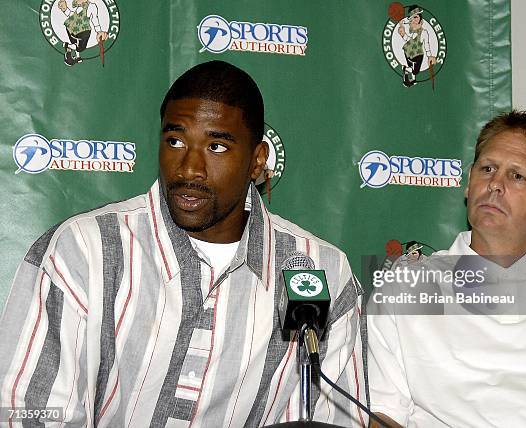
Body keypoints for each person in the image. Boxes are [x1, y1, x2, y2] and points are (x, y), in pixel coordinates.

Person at [0, 61, 367, 427]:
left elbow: (336, 420)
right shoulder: (84, 250)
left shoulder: (320, 271)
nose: (189, 168)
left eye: (217, 147)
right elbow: (29, 413)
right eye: (175, 141)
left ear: (257, 162)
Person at [368, 110, 526, 427]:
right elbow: (383, 412)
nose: (495, 184)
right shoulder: (407, 285)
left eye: (517, 176)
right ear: (469, 183)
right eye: (487, 169)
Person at [397, 6, 436, 87]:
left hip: (416, 52)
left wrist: (429, 56)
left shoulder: (424, 32)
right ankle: (405, 69)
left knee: (413, 68)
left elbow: (427, 44)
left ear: (421, 20)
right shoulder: (413, 31)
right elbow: (409, 40)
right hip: (410, 52)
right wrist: (402, 33)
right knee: (415, 70)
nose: (414, 20)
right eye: (412, 18)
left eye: (416, 17)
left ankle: (412, 79)